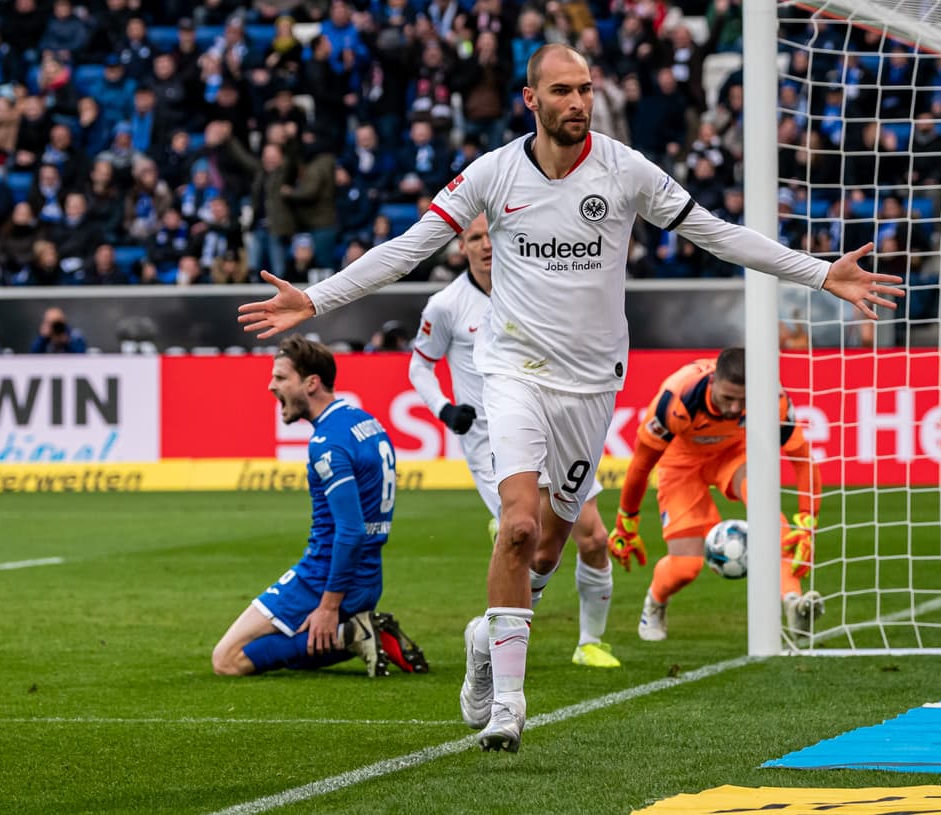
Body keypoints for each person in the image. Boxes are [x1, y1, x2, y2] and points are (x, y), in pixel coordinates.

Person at [238, 44, 903, 753]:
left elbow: (716, 233)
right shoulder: (492, 174)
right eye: (562, 91)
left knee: (550, 549)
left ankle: (483, 639)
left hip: (591, 386)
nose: (578, 102)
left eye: (586, 89)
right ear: (531, 99)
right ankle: (507, 704)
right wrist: (316, 298)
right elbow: (407, 247)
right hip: (514, 374)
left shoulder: (624, 170)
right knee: (518, 528)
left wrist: (818, 273)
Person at [407, 212, 621, 672]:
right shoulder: (446, 305)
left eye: (491, 235)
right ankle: (494, 644)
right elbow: (419, 367)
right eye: (474, 237)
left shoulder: (528, 288)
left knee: (595, 538)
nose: (485, 245)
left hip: (551, 422)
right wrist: (445, 408)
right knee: (532, 538)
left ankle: (590, 642)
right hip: (492, 440)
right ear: (461, 246)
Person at [211, 336, 429, 678]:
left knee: (227, 660)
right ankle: (356, 630)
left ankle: (351, 633)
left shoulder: (328, 442)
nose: (271, 386)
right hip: (368, 577)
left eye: (281, 378)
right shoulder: (367, 422)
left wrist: (328, 606)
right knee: (295, 653)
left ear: (311, 383)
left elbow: (351, 530)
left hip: (324, 577)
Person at [605, 347, 824, 644]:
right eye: (727, 398)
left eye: (743, 400)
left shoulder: (773, 397)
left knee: (764, 502)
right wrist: (626, 522)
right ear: (713, 384)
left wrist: (807, 521)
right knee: (686, 567)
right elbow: (642, 464)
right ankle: (655, 602)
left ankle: (793, 602)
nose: (735, 408)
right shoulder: (677, 399)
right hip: (681, 464)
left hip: (733, 455)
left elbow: (802, 460)